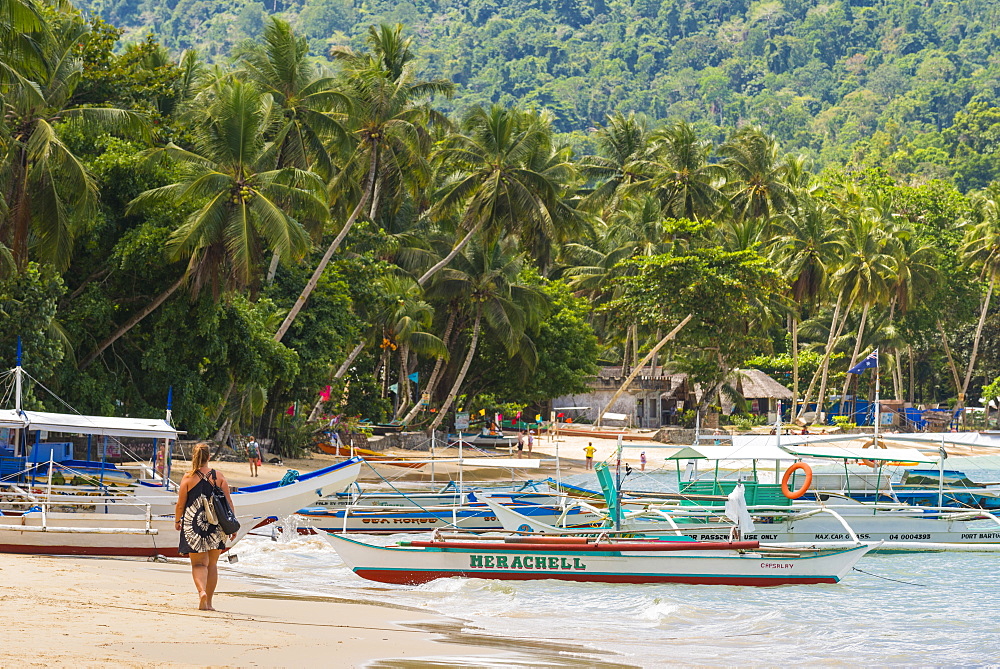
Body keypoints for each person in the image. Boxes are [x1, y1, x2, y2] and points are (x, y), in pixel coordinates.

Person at [174, 443, 236, 611]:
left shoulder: (188, 478)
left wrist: (177, 521)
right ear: (209, 457)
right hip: (217, 525)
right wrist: (233, 525)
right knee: (212, 564)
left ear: (194, 457)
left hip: (194, 525)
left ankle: (201, 592)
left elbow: (181, 504)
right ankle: (209, 603)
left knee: (198, 565)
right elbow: (228, 503)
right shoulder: (219, 477)